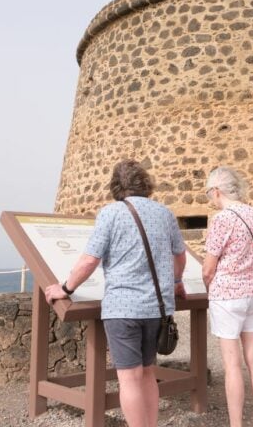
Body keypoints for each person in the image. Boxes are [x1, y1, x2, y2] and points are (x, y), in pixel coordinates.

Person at [45, 159, 186, 427]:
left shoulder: (110, 214)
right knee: (147, 374)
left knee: (128, 379)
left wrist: (65, 289)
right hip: (157, 308)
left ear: (116, 186)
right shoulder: (164, 213)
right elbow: (179, 256)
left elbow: (89, 261)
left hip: (123, 309)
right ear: (145, 183)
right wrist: (177, 282)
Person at [202, 166, 253, 427]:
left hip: (228, 296)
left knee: (232, 365)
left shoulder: (222, 219)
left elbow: (208, 267)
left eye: (209, 194)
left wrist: (208, 282)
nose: (210, 199)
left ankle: (236, 425)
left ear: (217, 191)